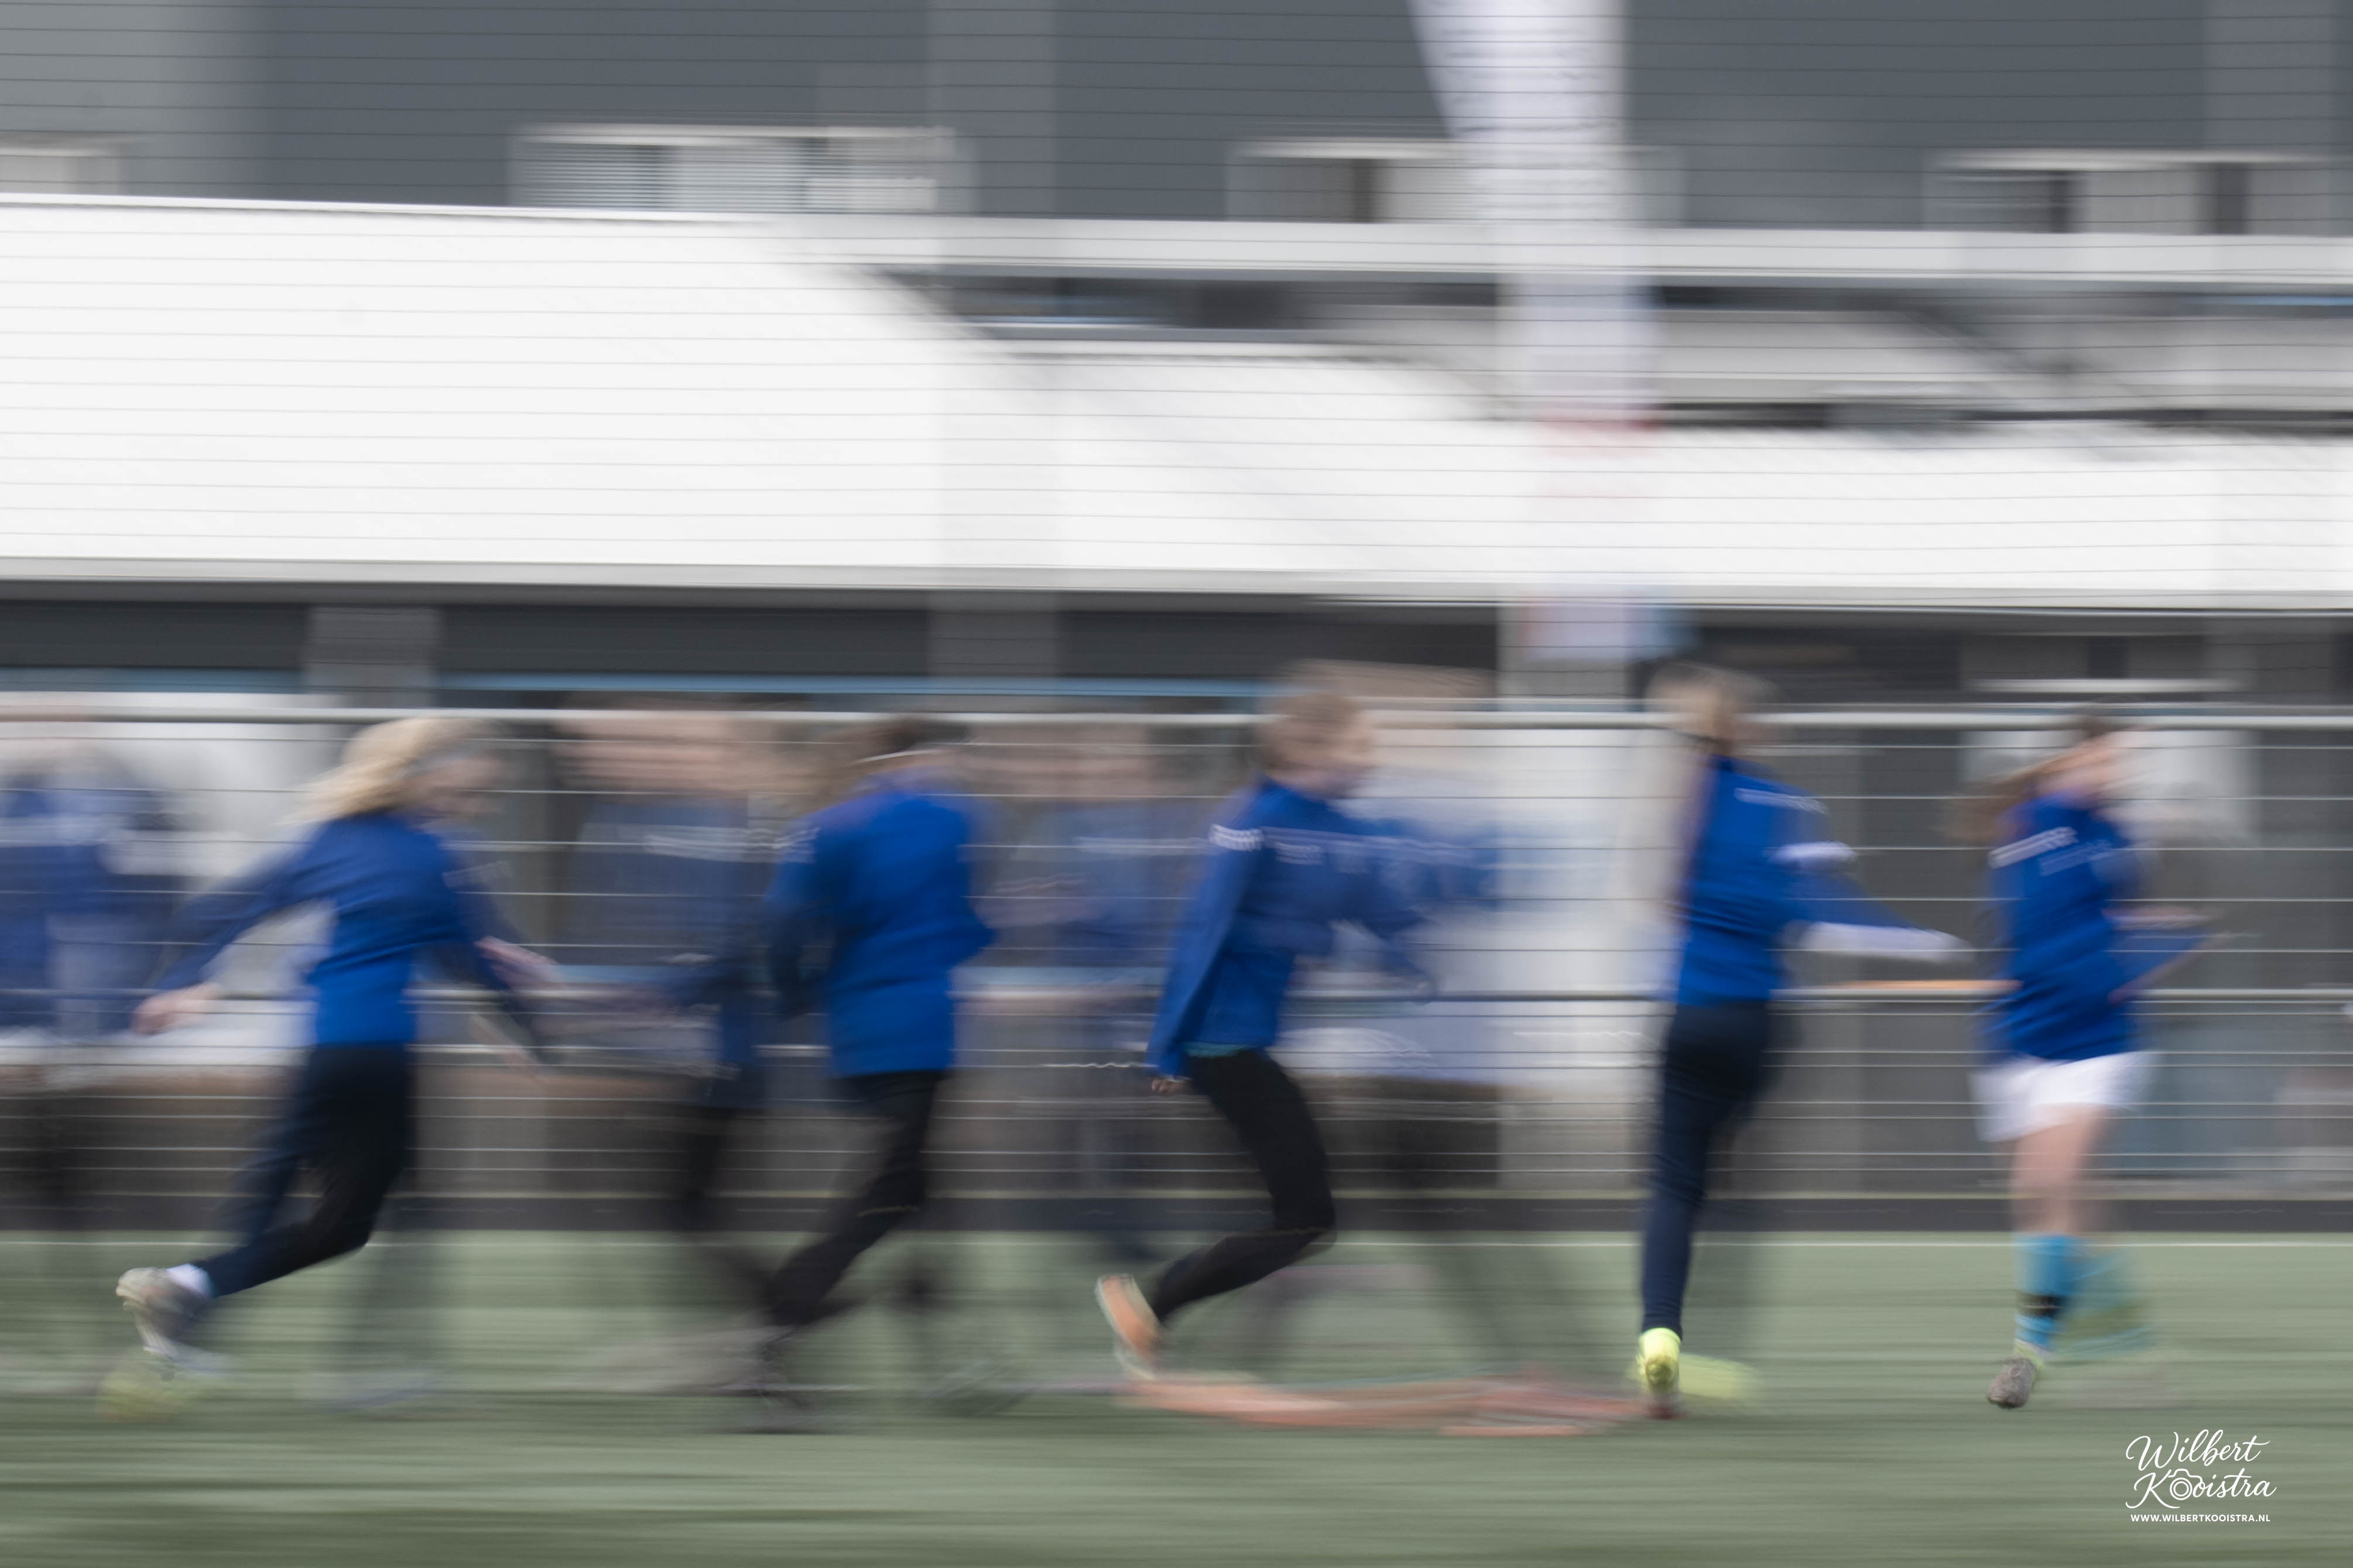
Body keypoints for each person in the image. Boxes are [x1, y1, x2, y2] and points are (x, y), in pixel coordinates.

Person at [106, 716, 544, 1395]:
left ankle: (187, 1306)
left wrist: (181, 982)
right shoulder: (432, 854)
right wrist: (529, 1027)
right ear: (425, 778)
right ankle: (368, 1365)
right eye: (468, 793)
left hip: (318, 1051)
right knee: (361, 1222)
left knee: (275, 1199)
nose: (475, 808)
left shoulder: (329, 839)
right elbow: (466, 952)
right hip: (378, 1056)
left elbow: (217, 911)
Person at [1633, 665, 1965, 1415]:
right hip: (1756, 1023)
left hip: (1686, 1017)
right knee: (1738, 1183)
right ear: (1755, 729)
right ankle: (1715, 1352)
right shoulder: (1786, 804)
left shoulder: (1681, 798)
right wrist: (1923, 942)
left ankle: (1659, 1338)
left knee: (1673, 1187)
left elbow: (1658, 901)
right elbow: (1823, 911)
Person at [1095, 691, 1424, 1376]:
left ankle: (1160, 1311)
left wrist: (1408, 953)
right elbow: (1201, 933)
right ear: (1306, 749)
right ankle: (1151, 1307)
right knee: (1304, 1217)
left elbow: (1378, 906)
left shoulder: (1339, 828)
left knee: (1301, 1212)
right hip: (1221, 1042)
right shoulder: (1249, 819)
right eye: (1358, 747)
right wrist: (1167, 1047)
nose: (1370, 761)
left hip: (1254, 1042)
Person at [719, 716, 994, 1346]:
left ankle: (932, 1311)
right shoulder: (956, 817)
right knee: (894, 1186)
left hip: (853, 1027)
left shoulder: (824, 826)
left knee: (914, 1177)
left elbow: (782, 923)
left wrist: (797, 993)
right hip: (923, 1027)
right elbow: (964, 923)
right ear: (925, 755)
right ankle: (786, 1309)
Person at [1971, 714, 2207, 1411]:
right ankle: (2127, 1345)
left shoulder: (2117, 839)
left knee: (2047, 1180)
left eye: (2122, 761)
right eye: (2104, 758)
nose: (2115, 772)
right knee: (2065, 1206)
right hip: (2020, 1035)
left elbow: (2110, 924)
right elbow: (2033, 926)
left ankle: (2029, 1351)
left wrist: (2155, 939)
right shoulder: (2025, 824)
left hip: (2099, 1039)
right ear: (2068, 758)